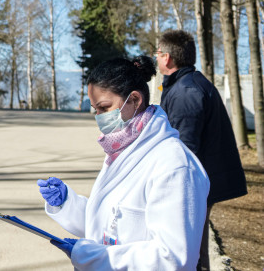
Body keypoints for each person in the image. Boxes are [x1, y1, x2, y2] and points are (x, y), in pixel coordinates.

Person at [37, 56, 209, 270]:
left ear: (135, 100)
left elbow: (172, 258)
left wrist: (92, 257)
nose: (98, 117)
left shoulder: (175, 166)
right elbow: (112, 223)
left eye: (104, 107)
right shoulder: (124, 149)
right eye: (95, 110)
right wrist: (67, 204)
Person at [157, 29, 247, 270]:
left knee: (191, 250)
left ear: (167, 57)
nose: (155, 58)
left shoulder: (187, 91)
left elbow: (185, 148)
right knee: (194, 245)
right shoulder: (186, 84)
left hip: (195, 183)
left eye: (157, 53)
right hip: (202, 180)